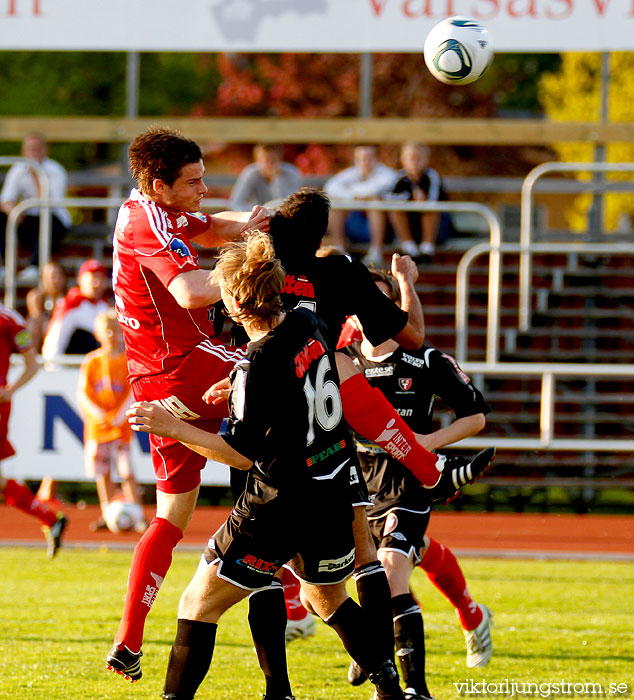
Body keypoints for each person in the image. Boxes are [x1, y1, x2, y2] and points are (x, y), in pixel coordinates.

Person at [207, 188, 494, 698]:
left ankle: (279, 687)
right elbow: (411, 335)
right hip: (330, 438)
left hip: (271, 421)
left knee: (267, 565)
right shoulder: (339, 270)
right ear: (323, 233)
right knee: (367, 554)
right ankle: (385, 669)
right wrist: (403, 285)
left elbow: (204, 264)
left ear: (273, 225)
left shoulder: (256, 263)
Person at [127, 231, 407, 700]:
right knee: (326, 598)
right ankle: (389, 684)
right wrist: (238, 382)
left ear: (236, 301)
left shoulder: (259, 360)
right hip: (331, 490)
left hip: (277, 503)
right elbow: (297, 380)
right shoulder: (307, 320)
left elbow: (240, 453)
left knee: (197, 603)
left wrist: (170, 426)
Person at [105, 125, 270, 682]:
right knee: (297, 384)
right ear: (160, 184)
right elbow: (191, 292)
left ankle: (128, 641)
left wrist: (251, 226)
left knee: (173, 514)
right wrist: (258, 269)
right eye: (194, 181)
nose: (205, 188)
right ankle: (296, 600)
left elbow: (215, 224)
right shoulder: (146, 222)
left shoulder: (156, 209)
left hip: (157, 381)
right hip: (188, 365)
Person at [341, 267, 494, 698]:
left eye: (381, 299)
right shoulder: (342, 360)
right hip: (357, 483)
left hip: (409, 481)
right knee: (363, 577)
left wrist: (428, 441)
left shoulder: (424, 359)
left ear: (393, 307)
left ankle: (412, 689)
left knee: (390, 575)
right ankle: (466, 615)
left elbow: (476, 415)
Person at [0, 301, 67, 558]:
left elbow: (32, 364)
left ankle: (50, 518)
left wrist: (10, 391)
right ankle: (50, 518)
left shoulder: (8, 320)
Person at [77, 308, 145, 533]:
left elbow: (133, 391)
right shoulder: (92, 361)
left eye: (115, 330)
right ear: (97, 334)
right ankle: (107, 513)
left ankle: (138, 513)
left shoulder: (128, 360)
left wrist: (121, 415)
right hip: (97, 428)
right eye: (106, 330)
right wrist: (98, 413)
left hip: (120, 428)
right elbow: (83, 394)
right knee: (102, 472)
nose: (110, 335)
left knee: (126, 471)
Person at [0, 132, 71, 283]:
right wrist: (14, 213)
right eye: (30, 149)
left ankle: (35, 266)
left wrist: (37, 176)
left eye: (37, 149)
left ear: (45, 150)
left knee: (48, 221)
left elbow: (51, 204)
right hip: (28, 220)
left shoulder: (55, 170)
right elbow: (6, 199)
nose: (33, 153)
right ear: (23, 151)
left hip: (54, 220)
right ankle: (5, 267)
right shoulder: (18, 169)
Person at [323, 145, 397, 264]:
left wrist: (352, 192)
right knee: (335, 203)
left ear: (377, 158)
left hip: (386, 230)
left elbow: (376, 189)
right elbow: (330, 186)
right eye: (361, 158)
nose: (365, 162)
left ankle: (375, 251)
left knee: (375, 201)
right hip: (354, 225)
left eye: (369, 158)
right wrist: (354, 196)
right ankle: (340, 249)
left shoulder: (388, 173)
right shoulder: (352, 173)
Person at [385, 142, 452, 263]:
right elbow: (390, 198)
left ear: (426, 160)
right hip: (410, 225)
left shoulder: (432, 176)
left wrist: (422, 201)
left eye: (419, 158)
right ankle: (409, 247)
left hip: (437, 228)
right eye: (411, 158)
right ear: (403, 160)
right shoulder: (399, 178)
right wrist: (410, 199)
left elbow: (435, 199)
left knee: (430, 209)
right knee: (395, 210)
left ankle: (428, 248)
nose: (414, 162)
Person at [41, 258, 111, 362]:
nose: (97, 284)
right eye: (93, 278)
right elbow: (53, 345)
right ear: (80, 279)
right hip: (73, 369)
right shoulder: (70, 305)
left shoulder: (106, 307)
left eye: (101, 279)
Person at [229, 144, 302, 211]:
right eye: (265, 160)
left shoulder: (291, 173)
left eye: (273, 160)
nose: (269, 164)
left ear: (279, 159)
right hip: (256, 215)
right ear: (257, 161)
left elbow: (289, 203)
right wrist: (257, 211)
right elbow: (236, 202)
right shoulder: (250, 173)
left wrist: (276, 179)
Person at [25, 260, 67, 352]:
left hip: (62, 336)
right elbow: (36, 318)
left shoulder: (68, 298)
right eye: (52, 276)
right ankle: (34, 358)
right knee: (35, 325)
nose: (55, 280)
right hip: (42, 337)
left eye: (59, 276)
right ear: (43, 279)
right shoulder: (37, 297)